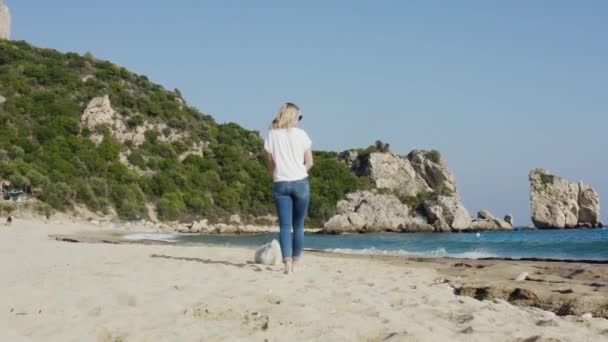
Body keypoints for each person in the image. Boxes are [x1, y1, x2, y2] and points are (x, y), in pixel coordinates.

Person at [264, 102, 314, 274]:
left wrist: (275, 174)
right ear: (293, 117)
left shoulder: (272, 134)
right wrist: (300, 172)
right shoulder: (302, 135)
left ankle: (286, 264)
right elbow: (310, 162)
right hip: (301, 182)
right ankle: (296, 263)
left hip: (281, 183)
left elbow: (270, 162)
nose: (300, 120)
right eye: (299, 117)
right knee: (298, 226)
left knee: (285, 226)